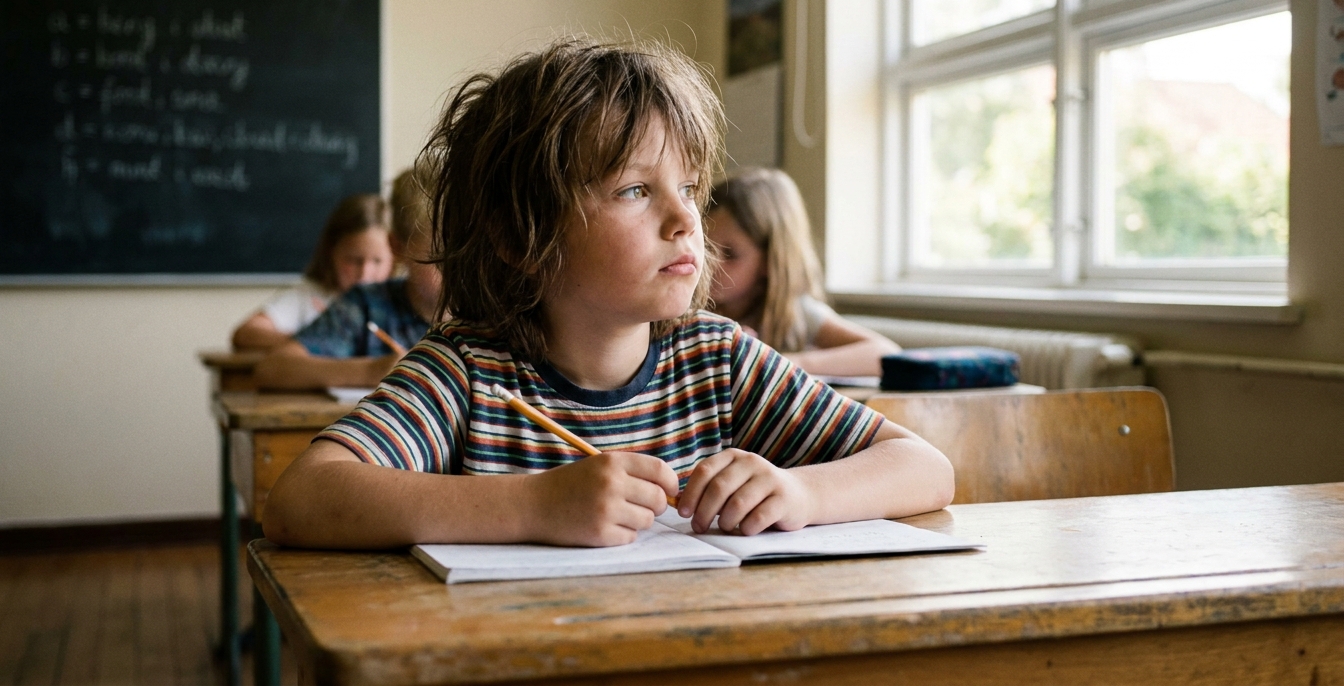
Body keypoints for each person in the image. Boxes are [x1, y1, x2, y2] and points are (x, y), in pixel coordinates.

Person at [262, 36, 953, 550]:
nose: (687, 219)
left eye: (689, 188)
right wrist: (533, 507)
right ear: (520, 239)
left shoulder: (718, 360)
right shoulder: (468, 370)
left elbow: (923, 467)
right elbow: (301, 499)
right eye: (634, 190)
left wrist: (803, 490)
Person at [253, 168, 442, 389]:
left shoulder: (485, 313)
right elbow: (272, 369)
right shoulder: (363, 306)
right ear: (397, 248)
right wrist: (372, 370)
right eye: (439, 260)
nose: (460, 273)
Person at [707, 168, 902, 376]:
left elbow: (886, 354)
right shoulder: (688, 309)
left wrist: (777, 362)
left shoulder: (795, 313)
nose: (708, 264)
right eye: (705, 246)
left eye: (730, 255)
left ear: (769, 261)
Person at [231, 194, 394, 351]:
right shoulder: (307, 297)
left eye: (377, 261)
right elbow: (246, 334)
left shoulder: (397, 301)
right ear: (331, 253)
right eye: (353, 260)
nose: (365, 274)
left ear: (396, 257)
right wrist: (313, 341)